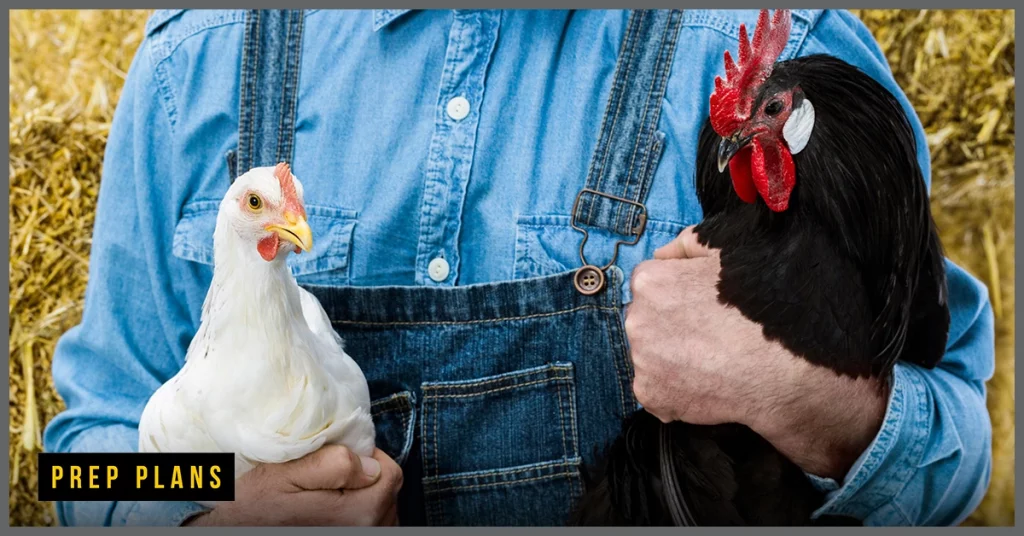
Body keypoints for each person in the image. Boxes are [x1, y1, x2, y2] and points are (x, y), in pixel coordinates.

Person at [43, 9, 994, 527]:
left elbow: (959, 458)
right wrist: (207, 518)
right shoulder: (199, 61)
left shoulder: (766, 53)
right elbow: (79, 463)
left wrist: (804, 403)